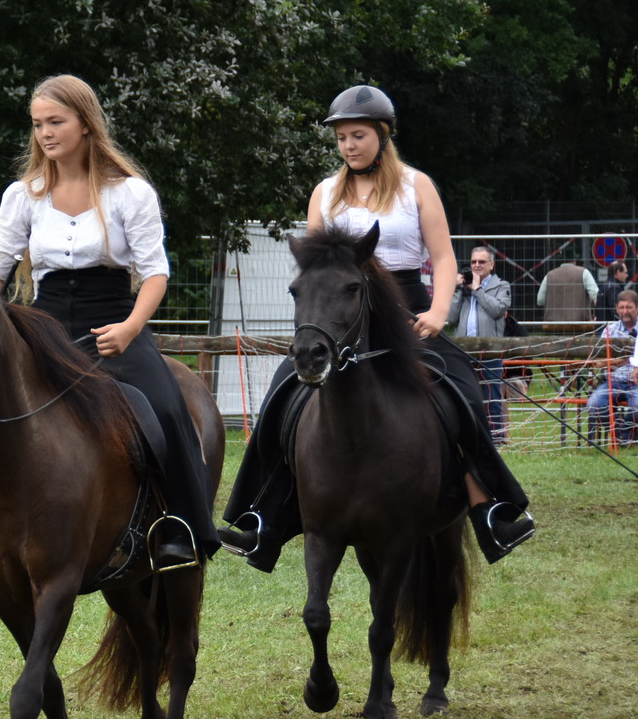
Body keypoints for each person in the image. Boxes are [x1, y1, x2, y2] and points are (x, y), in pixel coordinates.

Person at [0, 74, 216, 579]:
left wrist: (132, 328)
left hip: (112, 322)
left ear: (86, 125)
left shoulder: (130, 194)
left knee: (165, 404)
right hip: (41, 325)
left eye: (56, 122)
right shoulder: (23, 196)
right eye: (38, 124)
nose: (45, 133)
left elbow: (155, 272)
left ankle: (178, 529)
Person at [219, 84, 535, 567]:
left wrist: (436, 312)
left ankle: (489, 509)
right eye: (342, 136)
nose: (349, 145)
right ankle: (262, 517)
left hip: (406, 309)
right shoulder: (324, 194)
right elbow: (314, 266)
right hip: (342, 315)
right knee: (282, 395)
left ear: (383, 136)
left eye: (359, 135)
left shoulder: (416, 186)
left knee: (462, 389)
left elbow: (445, 257)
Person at [449, 244, 513, 443]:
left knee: (492, 397)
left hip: (490, 351)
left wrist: (477, 290)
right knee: (465, 395)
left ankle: (497, 440)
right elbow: (451, 318)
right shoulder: (465, 287)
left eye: (481, 262)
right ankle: (469, 438)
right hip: (464, 352)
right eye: (473, 262)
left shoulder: (501, 286)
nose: (476, 265)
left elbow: (497, 310)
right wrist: (458, 289)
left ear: (491, 265)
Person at [539, 260, 597, 327]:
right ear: (575, 261)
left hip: (553, 327)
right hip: (580, 326)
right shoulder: (584, 272)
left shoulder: (549, 276)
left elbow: (540, 301)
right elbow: (596, 297)